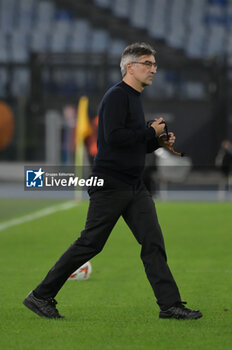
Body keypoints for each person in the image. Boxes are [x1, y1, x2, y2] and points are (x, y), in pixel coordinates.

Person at [23, 42, 202, 320]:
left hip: (133, 185)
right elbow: (115, 139)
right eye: (147, 63)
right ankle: (40, 296)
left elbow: (129, 145)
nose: (154, 69)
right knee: (90, 244)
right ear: (130, 66)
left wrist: (156, 141)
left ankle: (170, 305)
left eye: (154, 64)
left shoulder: (133, 97)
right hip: (110, 184)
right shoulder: (118, 96)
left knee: (153, 242)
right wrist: (148, 132)